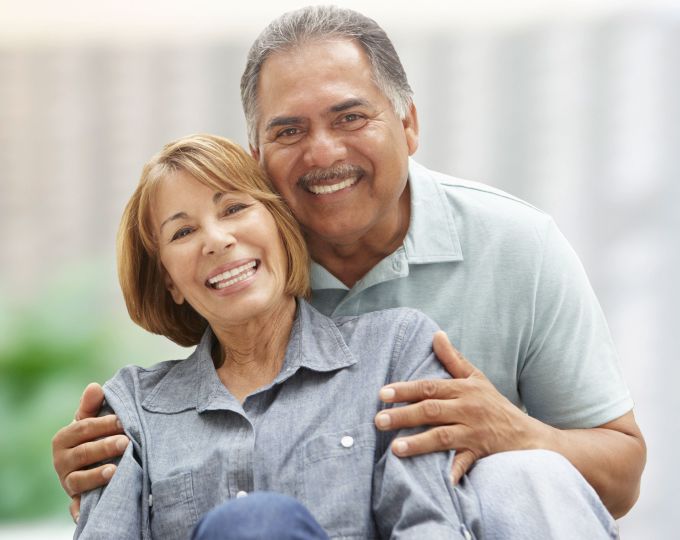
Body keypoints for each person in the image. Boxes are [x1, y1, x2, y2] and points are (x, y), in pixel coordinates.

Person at [52, 5, 646, 522]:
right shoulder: (246, 265)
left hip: (473, 517)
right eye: (289, 131)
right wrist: (108, 460)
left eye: (350, 117)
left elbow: (621, 474)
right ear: (258, 157)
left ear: (408, 123)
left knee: (521, 475)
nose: (324, 152)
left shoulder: (517, 245)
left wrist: (520, 435)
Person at [75, 133, 618, 539]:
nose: (216, 240)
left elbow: (428, 524)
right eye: (183, 231)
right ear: (169, 279)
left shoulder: (396, 352)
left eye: (235, 208)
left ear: (280, 227)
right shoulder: (134, 409)